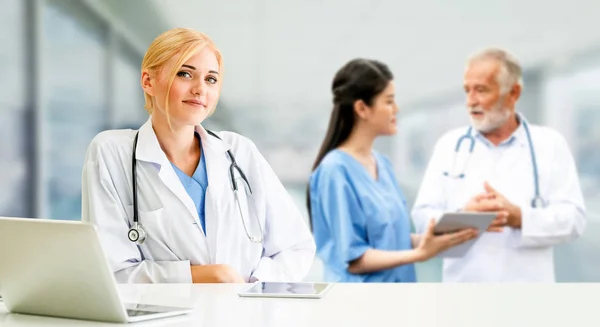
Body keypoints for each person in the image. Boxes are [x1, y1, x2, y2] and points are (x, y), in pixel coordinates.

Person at [81, 28, 315, 284]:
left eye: (211, 79)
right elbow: (112, 272)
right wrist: (206, 276)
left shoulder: (238, 151)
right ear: (148, 81)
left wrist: (253, 290)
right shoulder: (112, 153)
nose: (200, 89)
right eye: (185, 74)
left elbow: (295, 247)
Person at [411, 48, 586, 282]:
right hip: (464, 291)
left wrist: (520, 217)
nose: (471, 101)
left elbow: (573, 220)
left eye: (481, 90)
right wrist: (464, 216)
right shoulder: (449, 145)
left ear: (513, 93)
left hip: (528, 293)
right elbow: (422, 218)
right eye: (467, 90)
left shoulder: (550, 144)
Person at [307, 58, 478, 283]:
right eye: (389, 101)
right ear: (362, 108)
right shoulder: (335, 171)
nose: (396, 109)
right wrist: (419, 254)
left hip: (398, 298)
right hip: (358, 304)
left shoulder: (383, 164)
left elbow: (391, 240)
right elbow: (354, 259)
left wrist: (443, 237)